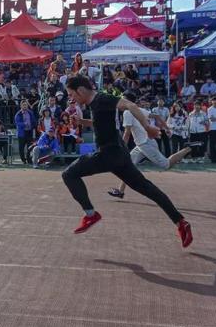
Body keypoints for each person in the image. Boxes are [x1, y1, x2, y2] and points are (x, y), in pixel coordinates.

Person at [61, 75, 192, 246]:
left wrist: (147, 127)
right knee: (147, 188)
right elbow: (100, 122)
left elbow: (130, 105)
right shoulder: (97, 103)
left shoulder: (102, 99)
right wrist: (82, 121)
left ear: (80, 90)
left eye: (72, 94)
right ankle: (180, 222)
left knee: (68, 174)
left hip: (108, 154)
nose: (72, 99)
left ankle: (91, 214)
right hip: (120, 155)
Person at [108, 92, 199, 200]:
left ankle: (187, 148)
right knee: (128, 166)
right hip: (142, 144)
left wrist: (121, 148)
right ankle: (120, 191)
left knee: (166, 164)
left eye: (123, 99)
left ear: (127, 101)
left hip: (145, 144)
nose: (120, 102)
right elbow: (157, 116)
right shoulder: (137, 109)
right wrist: (167, 129)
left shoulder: (127, 112)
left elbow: (127, 133)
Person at [14, 99, 37, 164]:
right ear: (21, 106)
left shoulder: (30, 112)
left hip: (29, 132)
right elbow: (17, 123)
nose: (25, 106)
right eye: (23, 105)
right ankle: (23, 160)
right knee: (21, 148)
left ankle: (29, 159)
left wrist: (33, 125)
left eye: (26, 105)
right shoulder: (18, 114)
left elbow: (34, 120)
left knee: (30, 147)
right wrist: (24, 124)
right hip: (22, 133)